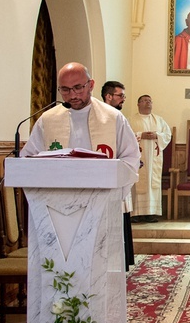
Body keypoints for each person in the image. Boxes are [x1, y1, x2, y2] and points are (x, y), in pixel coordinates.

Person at [21, 62, 140, 265]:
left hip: (101, 204)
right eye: (65, 90)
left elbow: (130, 158)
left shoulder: (113, 118)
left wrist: (115, 193)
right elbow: (28, 159)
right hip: (57, 207)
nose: (73, 95)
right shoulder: (48, 119)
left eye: (78, 88)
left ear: (91, 84)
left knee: (98, 267)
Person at [101, 80, 135, 268]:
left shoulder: (117, 117)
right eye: (120, 95)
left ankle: (121, 261)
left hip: (116, 172)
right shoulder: (103, 118)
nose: (123, 99)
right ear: (109, 96)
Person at [130, 95, 172, 224]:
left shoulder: (159, 120)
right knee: (138, 182)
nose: (148, 103)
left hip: (154, 158)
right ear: (138, 104)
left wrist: (156, 135)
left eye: (149, 101)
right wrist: (140, 135)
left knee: (152, 182)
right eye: (144, 101)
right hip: (139, 158)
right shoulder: (131, 120)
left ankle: (151, 213)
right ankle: (135, 213)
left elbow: (167, 135)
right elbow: (126, 136)